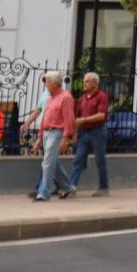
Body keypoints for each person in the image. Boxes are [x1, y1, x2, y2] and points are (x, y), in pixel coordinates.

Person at [26, 72, 75, 201]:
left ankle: (44, 192)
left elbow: (68, 119)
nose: (45, 85)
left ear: (54, 83)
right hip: (47, 133)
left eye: (47, 82)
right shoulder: (49, 98)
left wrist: (65, 139)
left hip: (57, 133)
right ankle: (67, 186)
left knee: (47, 162)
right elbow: (44, 120)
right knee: (53, 163)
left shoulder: (66, 97)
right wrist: (38, 138)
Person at [69, 72, 110, 195]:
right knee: (78, 159)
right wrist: (75, 134)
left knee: (100, 160)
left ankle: (104, 187)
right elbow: (78, 118)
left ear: (95, 83)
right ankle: (72, 187)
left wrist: (85, 120)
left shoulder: (101, 96)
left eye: (87, 81)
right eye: (84, 81)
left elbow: (101, 115)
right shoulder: (82, 98)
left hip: (97, 131)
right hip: (84, 132)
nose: (84, 83)